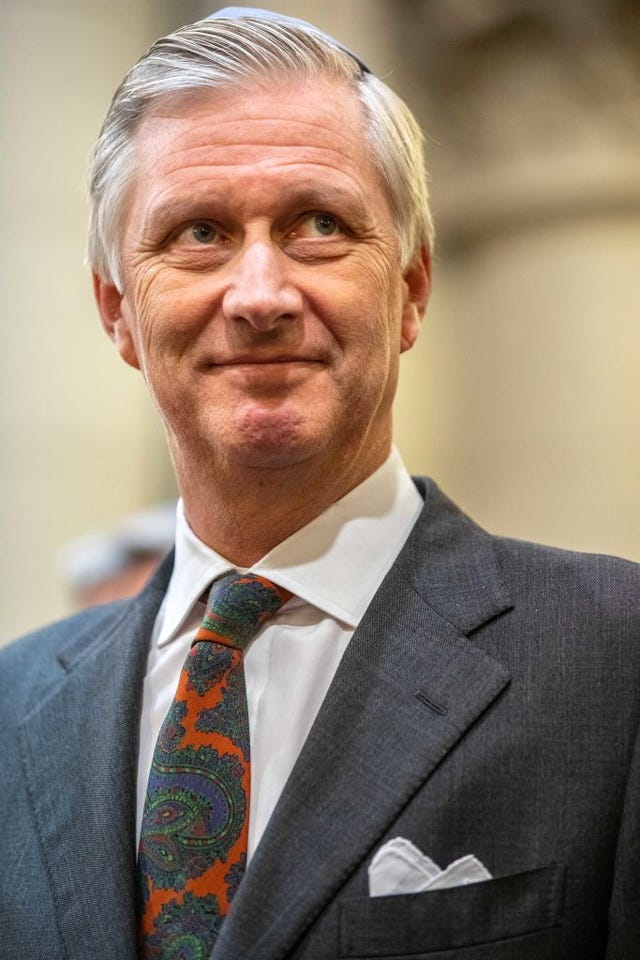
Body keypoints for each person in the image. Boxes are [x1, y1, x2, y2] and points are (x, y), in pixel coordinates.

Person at [1, 8, 639, 960]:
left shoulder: (615, 660)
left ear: (412, 288)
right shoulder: (13, 709)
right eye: (199, 232)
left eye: (319, 225)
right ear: (117, 313)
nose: (260, 294)